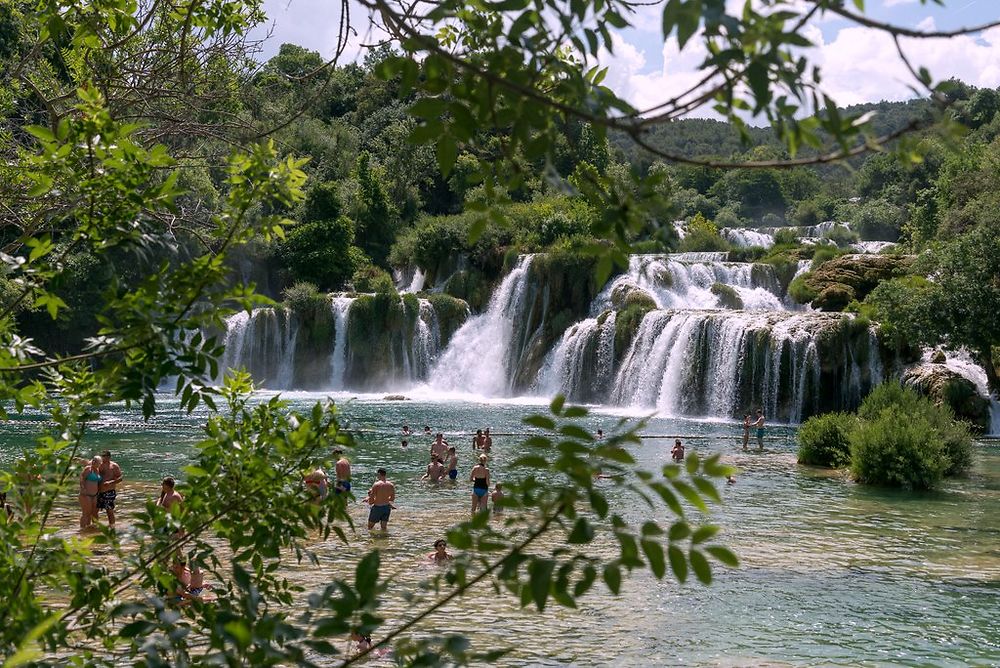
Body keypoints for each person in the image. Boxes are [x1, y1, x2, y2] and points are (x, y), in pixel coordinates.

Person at [78, 455, 102, 529]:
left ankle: (93, 529)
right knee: (86, 513)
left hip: (95, 495)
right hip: (86, 495)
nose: (100, 464)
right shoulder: (88, 469)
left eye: (100, 463)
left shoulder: (97, 470)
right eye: (99, 463)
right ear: (94, 462)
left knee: (95, 513)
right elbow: (82, 479)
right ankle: (82, 530)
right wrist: (83, 489)